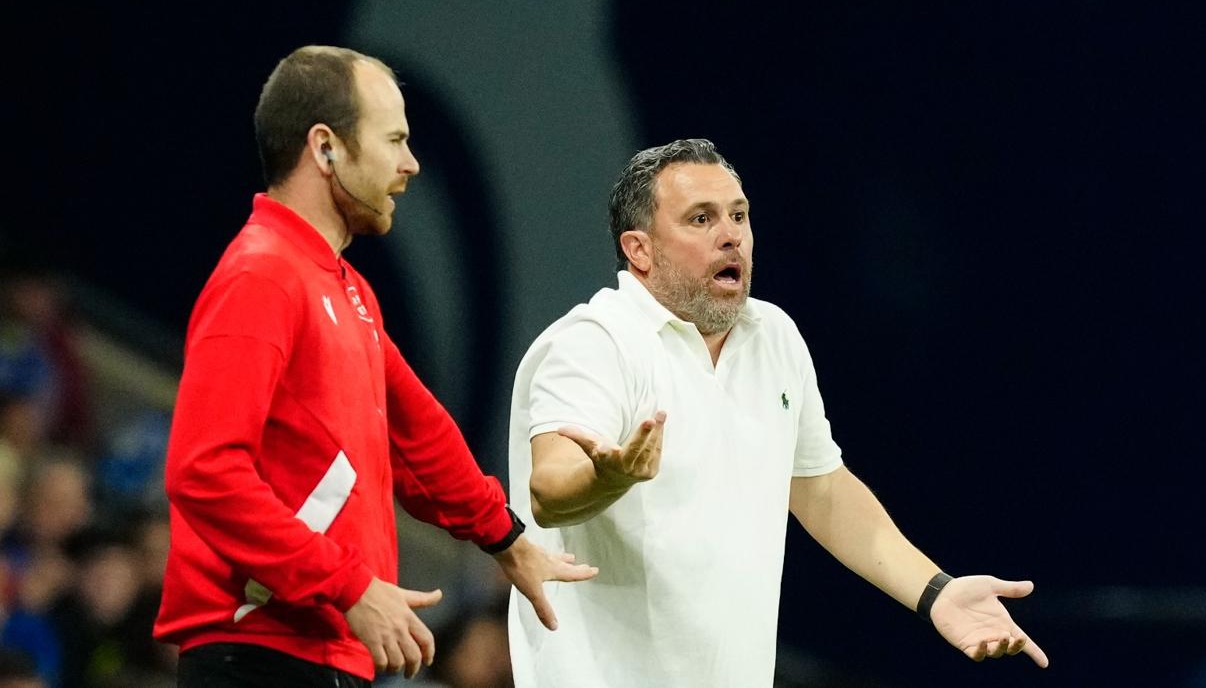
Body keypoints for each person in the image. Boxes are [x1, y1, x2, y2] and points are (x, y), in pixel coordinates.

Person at [507, 139, 1049, 687]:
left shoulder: (774, 337)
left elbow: (822, 490)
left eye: (738, 215)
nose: (730, 235)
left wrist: (935, 592)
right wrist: (608, 477)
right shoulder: (596, 342)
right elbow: (548, 493)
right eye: (701, 218)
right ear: (639, 250)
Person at [154, 46, 595, 687]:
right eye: (394, 140)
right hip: (258, 653)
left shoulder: (345, 288)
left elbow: (420, 439)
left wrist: (508, 539)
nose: (411, 164)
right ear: (325, 148)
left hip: (322, 652)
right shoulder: (262, 276)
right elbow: (202, 472)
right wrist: (349, 587)